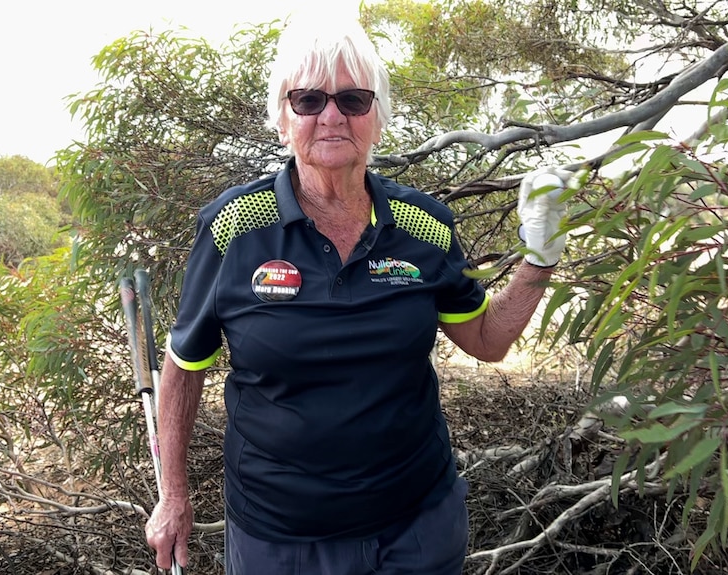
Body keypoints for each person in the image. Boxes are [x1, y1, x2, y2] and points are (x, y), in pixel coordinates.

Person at [145, 15, 570, 575]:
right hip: (282, 538)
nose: (331, 116)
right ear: (282, 118)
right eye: (308, 99)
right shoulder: (232, 227)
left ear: (377, 118)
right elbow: (184, 365)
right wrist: (173, 496)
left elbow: (487, 341)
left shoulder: (424, 226)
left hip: (417, 524)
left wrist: (541, 255)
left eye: (353, 98)